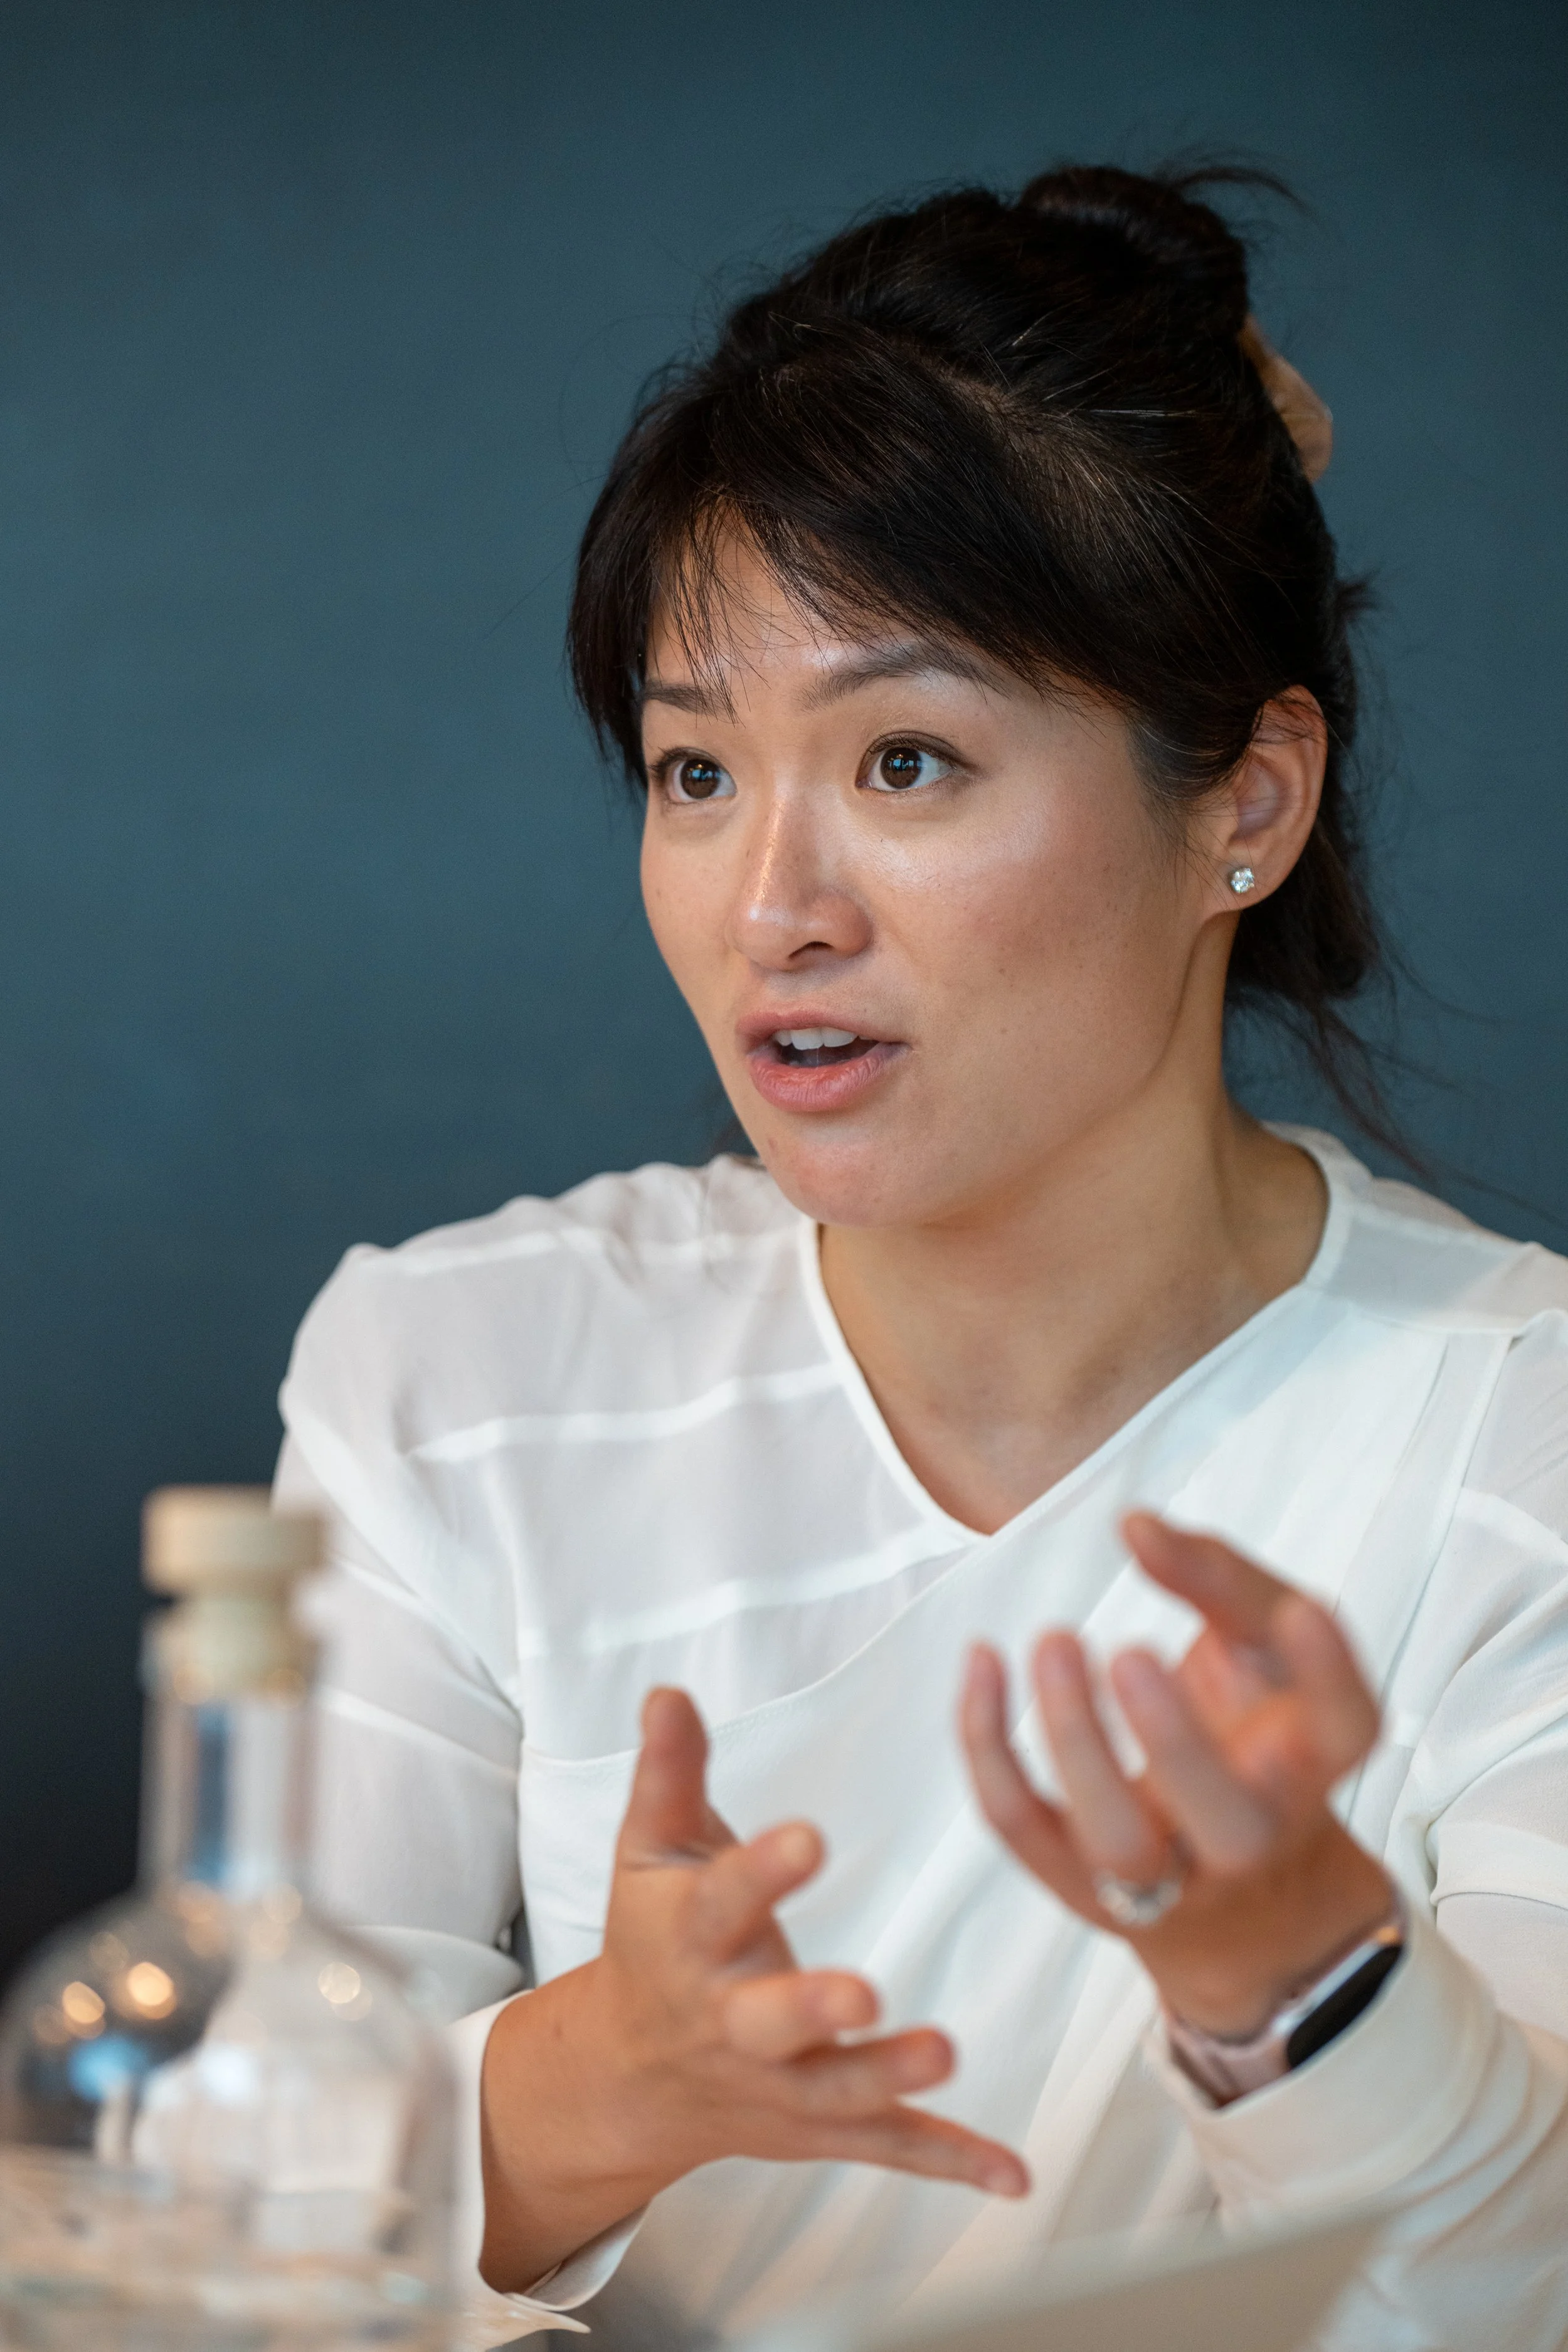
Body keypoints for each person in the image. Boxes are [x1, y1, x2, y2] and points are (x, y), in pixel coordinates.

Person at [275, 164, 1568, 2348]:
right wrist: (612, 2075)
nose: (771, 899)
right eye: (694, 769)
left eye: (903, 758)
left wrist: (1297, 1972)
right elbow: (214, 2201)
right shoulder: (456, 1373)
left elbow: (1522, 2281)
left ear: (1242, 805)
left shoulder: (1512, 1424)